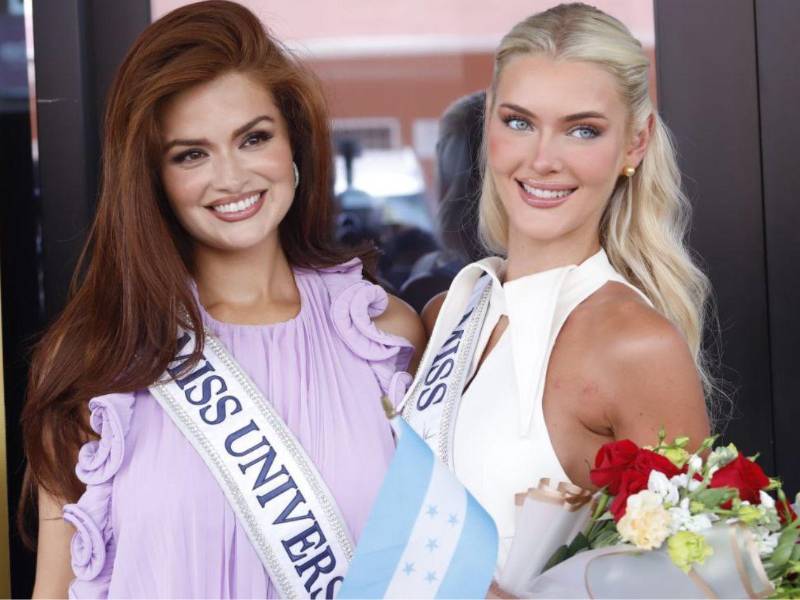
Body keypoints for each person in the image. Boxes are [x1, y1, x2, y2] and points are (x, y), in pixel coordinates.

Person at [23, 2, 424, 597]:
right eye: (191, 154)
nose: (231, 178)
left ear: (294, 145)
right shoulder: (97, 358)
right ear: (153, 177)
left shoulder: (380, 337)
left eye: (253, 138)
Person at [402, 2, 714, 586]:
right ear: (489, 122)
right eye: (519, 122)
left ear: (635, 143)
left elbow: (691, 584)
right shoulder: (450, 312)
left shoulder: (635, 345)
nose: (542, 159)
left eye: (582, 130)